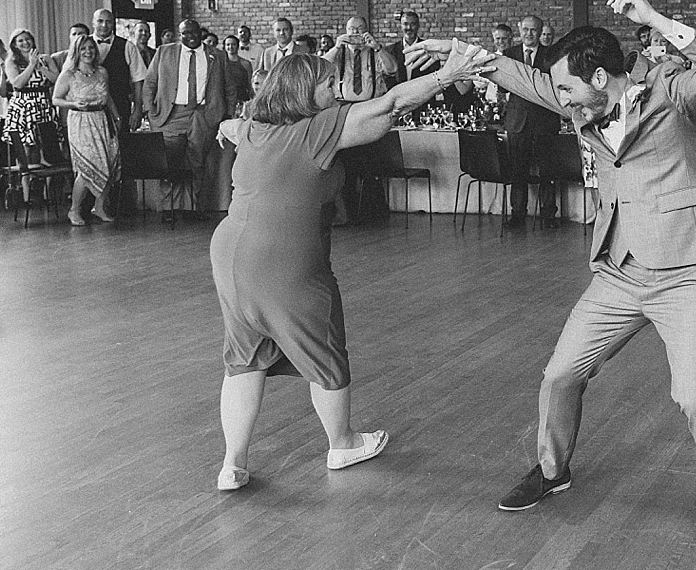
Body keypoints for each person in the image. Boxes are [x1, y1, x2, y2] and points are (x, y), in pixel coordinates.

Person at [407, 0, 696, 550]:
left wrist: (656, 19)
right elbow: (528, 79)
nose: (561, 99)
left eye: (568, 87)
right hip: (618, 270)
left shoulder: (671, 92)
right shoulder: (579, 98)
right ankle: (552, 470)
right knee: (559, 375)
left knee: (695, 397)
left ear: (598, 77)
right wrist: (462, 51)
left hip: (686, 271)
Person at [210, 42, 494, 492]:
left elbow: (228, 125)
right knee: (324, 349)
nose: (336, 90)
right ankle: (342, 443)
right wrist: (447, 75)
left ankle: (232, 464)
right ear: (303, 91)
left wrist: (227, 129)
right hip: (283, 261)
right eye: (328, 84)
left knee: (245, 358)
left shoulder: (254, 128)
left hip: (229, 257)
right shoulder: (316, 130)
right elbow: (391, 104)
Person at [143, 18, 238, 220]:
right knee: (170, 161)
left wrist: (227, 117)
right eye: (185, 33)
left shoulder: (217, 55)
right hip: (171, 115)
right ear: (180, 34)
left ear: (200, 32)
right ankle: (169, 209)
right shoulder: (164, 52)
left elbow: (230, 88)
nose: (190, 36)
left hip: (203, 114)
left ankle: (195, 208)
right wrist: (152, 112)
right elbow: (150, 83)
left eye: (193, 32)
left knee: (197, 162)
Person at [51, 35, 120, 226]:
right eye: (83, 49)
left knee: (109, 163)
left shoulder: (102, 72)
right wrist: (73, 103)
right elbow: (56, 99)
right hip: (81, 122)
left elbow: (108, 97)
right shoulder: (69, 74)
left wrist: (116, 117)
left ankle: (99, 206)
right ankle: (74, 209)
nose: (88, 52)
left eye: (91, 48)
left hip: (102, 120)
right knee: (86, 167)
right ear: (76, 51)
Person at [501, 15, 560, 227]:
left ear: (540, 31)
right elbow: (501, 86)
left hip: (545, 122)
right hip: (517, 122)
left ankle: (548, 216)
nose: (529, 34)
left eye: (533, 30)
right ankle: (517, 214)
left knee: (547, 171)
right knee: (518, 171)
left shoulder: (552, 55)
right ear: (519, 29)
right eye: (525, 29)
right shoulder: (508, 55)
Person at [3, 29, 61, 173]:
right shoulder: (11, 61)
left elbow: (57, 80)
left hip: (43, 105)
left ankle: (48, 189)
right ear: (15, 45)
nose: (25, 43)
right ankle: (26, 189)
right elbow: (17, 84)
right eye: (20, 41)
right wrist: (31, 65)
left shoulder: (46, 58)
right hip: (23, 106)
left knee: (48, 150)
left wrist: (41, 68)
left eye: (27, 39)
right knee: (26, 150)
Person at [91, 8, 147, 130]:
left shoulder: (127, 46)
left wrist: (138, 109)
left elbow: (139, 80)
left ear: (113, 23)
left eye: (108, 21)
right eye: (100, 21)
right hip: (90, 108)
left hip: (121, 105)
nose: (104, 25)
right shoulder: (83, 46)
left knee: (123, 145)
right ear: (93, 23)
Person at [323, 16, 398, 102]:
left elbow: (393, 69)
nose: (356, 32)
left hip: (372, 104)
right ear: (346, 31)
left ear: (366, 30)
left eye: (360, 28)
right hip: (343, 105)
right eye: (352, 29)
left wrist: (378, 48)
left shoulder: (375, 52)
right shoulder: (338, 52)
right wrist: (336, 48)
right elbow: (321, 68)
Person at [223, 36, 254, 105]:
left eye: (233, 44)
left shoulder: (245, 64)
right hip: (225, 99)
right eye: (228, 44)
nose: (230, 47)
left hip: (241, 98)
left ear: (237, 46)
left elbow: (250, 84)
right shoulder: (221, 63)